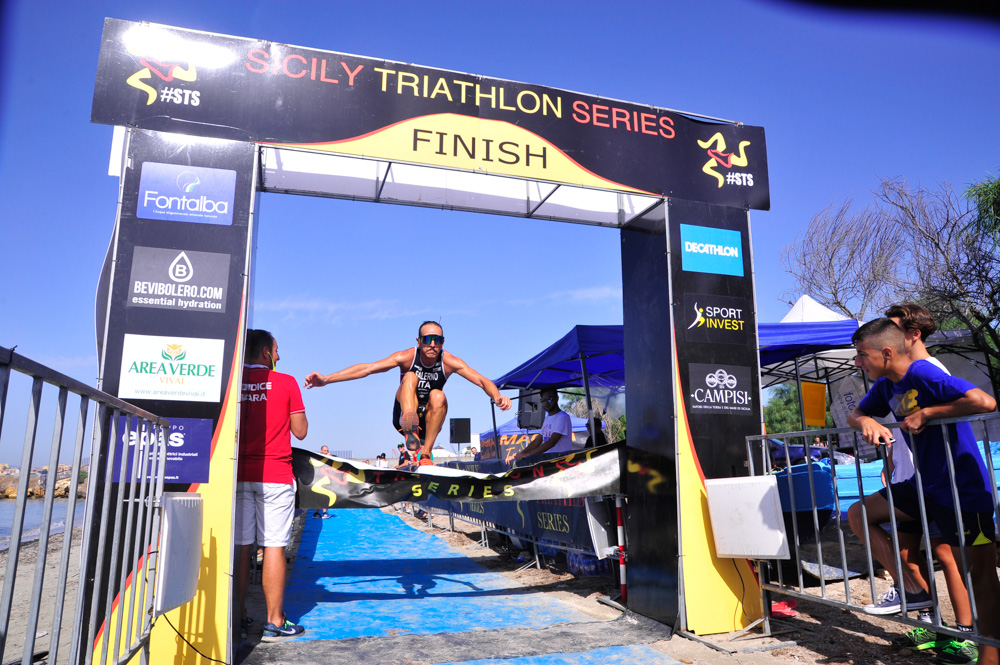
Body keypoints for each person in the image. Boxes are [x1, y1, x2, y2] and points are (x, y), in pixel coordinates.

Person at [847, 318, 999, 665]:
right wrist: (865, 421)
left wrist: (929, 412)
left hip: (963, 489)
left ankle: (989, 656)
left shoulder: (923, 374)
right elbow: (858, 412)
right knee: (859, 513)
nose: (858, 362)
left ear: (887, 352)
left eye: (861, 355)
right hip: (924, 485)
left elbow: (984, 401)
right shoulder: (885, 385)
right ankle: (913, 590)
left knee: (980, 578)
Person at [304, 321, 512, 465]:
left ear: (443, 342)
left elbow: (481, 380)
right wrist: (327, 379)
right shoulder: (406, 357)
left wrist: (497, 397)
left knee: (438, 395)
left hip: (430, 419)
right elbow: (367, 368)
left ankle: (426, 453)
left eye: (437, 340)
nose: (432, 344)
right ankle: (409, 430)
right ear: (418, 341)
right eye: (427, 339)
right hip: (404, 412)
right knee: (410, 377)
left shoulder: (449, 361)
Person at [236, 329, 308, 642]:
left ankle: (236, 618)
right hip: (275, 475)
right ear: (266, 352)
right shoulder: (286, 381)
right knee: (274, 546)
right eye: (276, 351)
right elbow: (301, 431)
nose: (279, 357)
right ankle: (274, 622)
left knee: (241, 549)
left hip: (237, 475)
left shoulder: (232, 381)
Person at [507, 388, 573, 463]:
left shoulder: (563, 417)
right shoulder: (547, 418)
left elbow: (552, 442)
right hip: (550, 462)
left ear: (557, 399)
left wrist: (527, 454)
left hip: (562, 463)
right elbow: (538, 440)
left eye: (549, 399)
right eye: (543, 401)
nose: (546, 403)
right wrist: (521, 454)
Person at [312, 446, 332, 518]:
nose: (326, 452)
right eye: (324, 450)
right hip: (320, 480)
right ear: (321, 451)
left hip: (323, 480)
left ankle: (316, 513)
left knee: (320, 497)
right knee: (323, 497)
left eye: (327, 450)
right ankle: (324, 513)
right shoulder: (319, 458)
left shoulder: (326, 458)